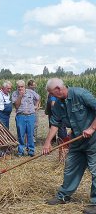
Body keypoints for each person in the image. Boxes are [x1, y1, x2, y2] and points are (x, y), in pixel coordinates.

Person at [42, 78, 96, 214]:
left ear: (58, 89)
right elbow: (55, 123)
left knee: (95, 171)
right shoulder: (58, 105)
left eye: (51, 93)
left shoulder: (81, 94)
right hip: (77, 142)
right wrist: (47, 143)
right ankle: (63, 196)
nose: (51, 96)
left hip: (93, 141)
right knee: (70, 168)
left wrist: (91, 128)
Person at [12, 80, 40, 157]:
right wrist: (20, 96)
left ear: (25, 86)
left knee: (30, 133)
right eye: (19, 87)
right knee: (21, 134)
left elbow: (38, 98)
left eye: (22, 87)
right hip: (20, 116)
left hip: (31, 115)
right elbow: (16, 106)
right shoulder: (15, 94)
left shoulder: (30, 92)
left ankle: (31, 151)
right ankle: (20, 151)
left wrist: (36, 106)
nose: (20, 88)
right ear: (17, 87)